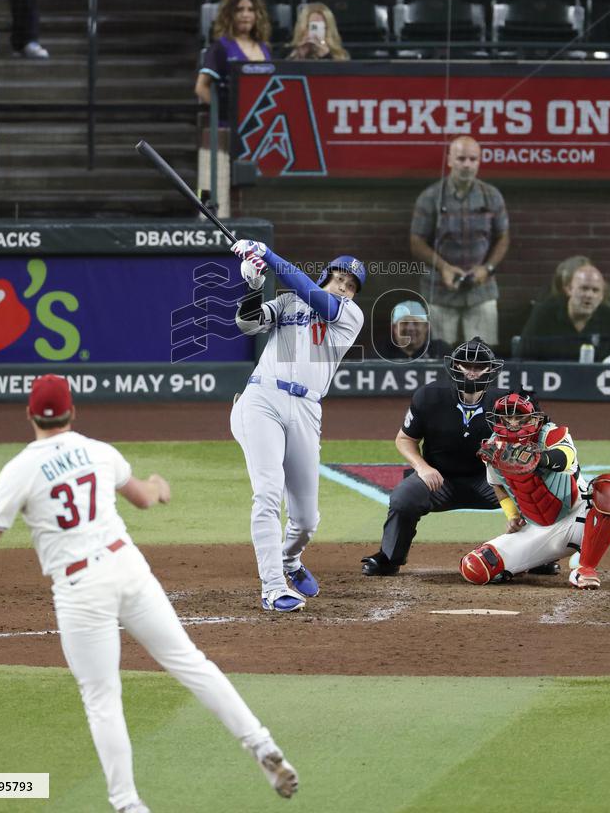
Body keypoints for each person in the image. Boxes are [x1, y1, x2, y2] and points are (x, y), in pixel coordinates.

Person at [0, 374, 299, 812]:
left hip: (80, 589)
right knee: (191, 664)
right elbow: (143, 497)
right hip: (129, 568)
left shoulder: (21, 469)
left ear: (29, 414)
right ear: (73, 412)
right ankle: (261, 745)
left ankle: (128, 804)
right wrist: (160, 487)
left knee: (102, 697)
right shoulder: (97, 451)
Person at [230, 240, 365, 611]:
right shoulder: (289, 302)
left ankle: (290, 560)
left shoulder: (349, 315)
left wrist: (269, 255)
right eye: (338, 278)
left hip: (306, 408)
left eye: (350, 285)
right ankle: (273, 587)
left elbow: (314, 295)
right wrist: (254, 287)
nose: (342, 286)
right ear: (326, 276)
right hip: (262, 400)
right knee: (268, 493)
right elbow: (247, 324)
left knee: (306, 519)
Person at [361, 338, 563, 578]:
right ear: (454, 366)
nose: (471, 372)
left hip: (491, 481)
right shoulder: (429, 397)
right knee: (404, 497)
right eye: (465, 365)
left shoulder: (508, 403)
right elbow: (404, 439)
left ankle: (539, 556)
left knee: (537, 491)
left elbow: (539, 435)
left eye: (479, 367)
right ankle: (389, 558)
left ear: (491, 369)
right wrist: (422, 468)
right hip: (439, 479)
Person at [461, 392, 610, 589]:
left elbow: (565, 457)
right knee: (476, 568)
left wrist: (538, 458)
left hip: (581, 517)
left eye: (519, 417)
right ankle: (539, 560)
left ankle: (586, 567)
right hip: (540, 529)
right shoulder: (493, 448)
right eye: (507, 418)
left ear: (535, 418)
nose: (513, 423)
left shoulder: (551, 434)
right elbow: (497, 485)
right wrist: (512, 516)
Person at [410, 135, 510, 348]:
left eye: (473, 159)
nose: (467, 165)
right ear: (450, 160)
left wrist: (487, 268)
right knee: (439, 357)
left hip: (481, 290)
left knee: (481, 358)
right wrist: (444, 267)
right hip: (439, 290)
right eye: (461, 158)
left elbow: (503, 237)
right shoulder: (430, 197)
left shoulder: (492, 196)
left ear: (479, 161)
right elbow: (416, 241)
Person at [519, 263, 610, 361]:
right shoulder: (544, 314)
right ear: (569, 289)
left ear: (601, 296)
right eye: (584, 289)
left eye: (595, 290)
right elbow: (523, 358)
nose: (589, 295)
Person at [195, 0, 272, 121]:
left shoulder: (264, 48)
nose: (245, 15)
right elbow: (201, 87)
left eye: (251, 10)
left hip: (261, 121)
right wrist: (223, 112)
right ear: (229, 15)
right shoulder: (220, 47)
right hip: (231, 124)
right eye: (239, 10)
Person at [376, 300, 452, 360]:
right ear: (394, 328)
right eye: (404, 323)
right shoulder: (380, 354)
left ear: (426, 327)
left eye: (416, 323)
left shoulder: (441, 352)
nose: (410, 328)